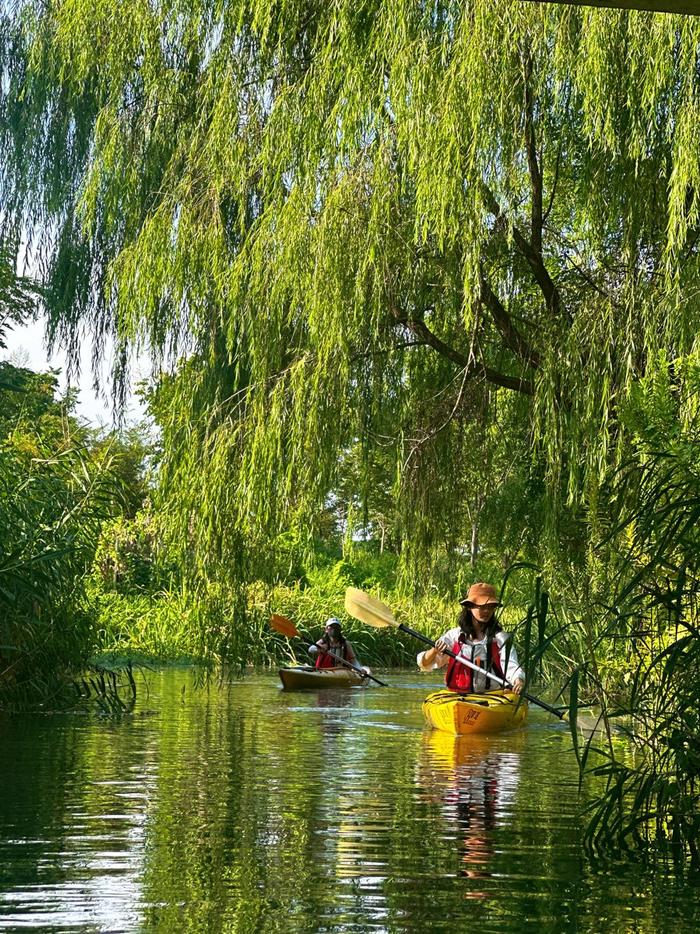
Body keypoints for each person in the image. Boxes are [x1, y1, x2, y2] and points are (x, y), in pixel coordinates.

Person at [417, 582, 525, 694]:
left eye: (490, 607)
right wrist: (435, 650)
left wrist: (518, 681)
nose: (487, 611)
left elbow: (512, 666)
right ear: (469, 607)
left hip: (494, 697)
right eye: (482, 607)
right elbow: (424, 664)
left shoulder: (501, 638)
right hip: (458, 697)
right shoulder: (454, 636)